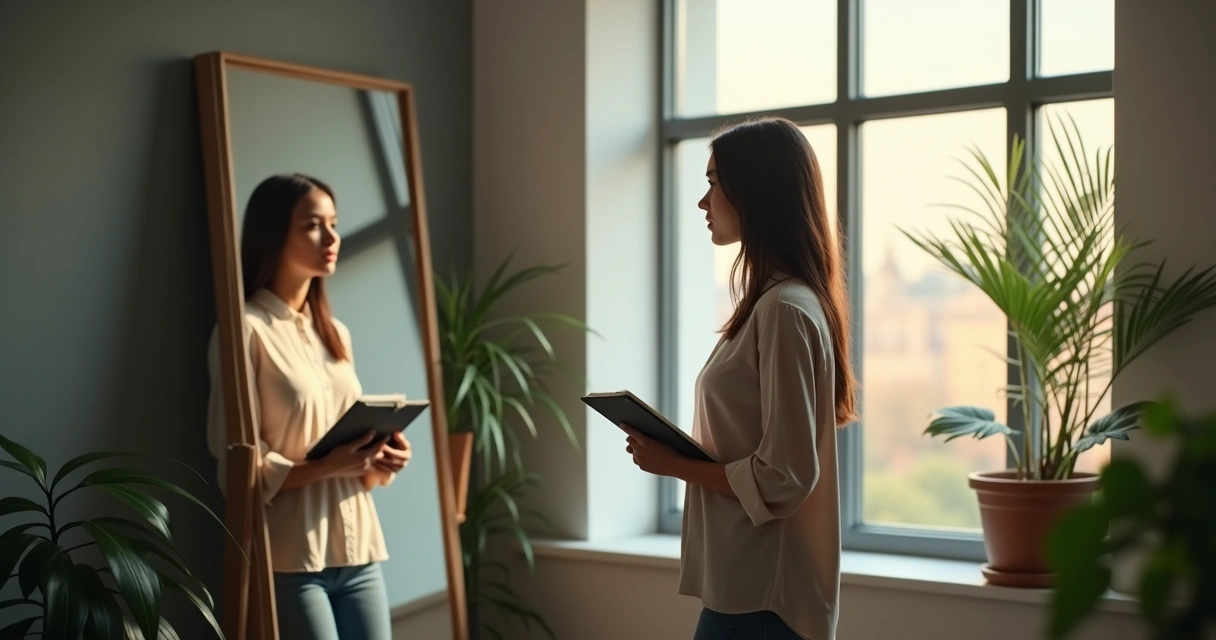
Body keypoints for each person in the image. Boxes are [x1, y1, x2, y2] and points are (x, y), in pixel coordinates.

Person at [622, 117, 857, 640]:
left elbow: (785, 476)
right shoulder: (772, 304)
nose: (703, 203)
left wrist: (677, 465)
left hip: (761, 605)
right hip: (744, 593)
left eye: (712, 183)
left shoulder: (784, 311)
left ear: (755, 192)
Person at [206, 173, 411, 640]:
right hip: (289, 559)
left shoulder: (335, 333)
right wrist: (328, 466)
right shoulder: (244, 330)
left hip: (359, 553)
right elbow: (235, 467)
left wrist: (380, 459)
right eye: (314, 225)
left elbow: (359, 469)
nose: (332, 237)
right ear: (274, 233)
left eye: (335, 223)